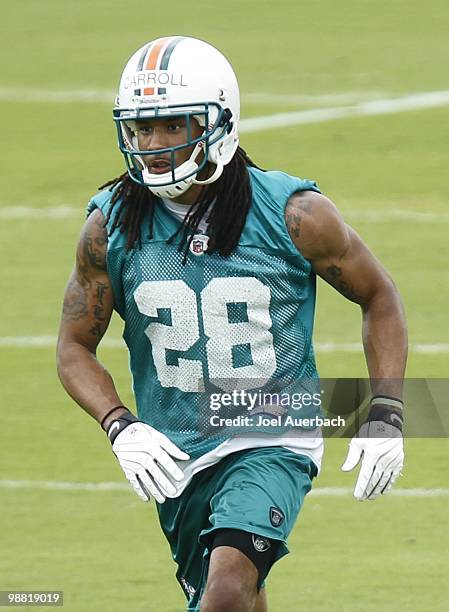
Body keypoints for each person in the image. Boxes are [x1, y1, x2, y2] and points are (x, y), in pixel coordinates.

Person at [56, 36, 407, 612]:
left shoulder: (294, 213)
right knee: (240, 596)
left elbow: (379, 295)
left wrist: (387, 412)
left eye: (174, 125)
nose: (155, 144)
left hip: (274, 432)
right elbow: (74, 346)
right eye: (143, 128)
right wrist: (121, 425)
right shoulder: (110, 226)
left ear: (220, 119)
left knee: (225, 591)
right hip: (177, 450)